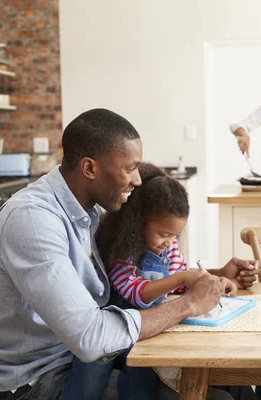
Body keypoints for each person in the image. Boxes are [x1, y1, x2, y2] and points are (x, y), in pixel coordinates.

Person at [0, 108, 259, 400]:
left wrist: (213, 276)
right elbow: (91, 336)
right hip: (40, 382)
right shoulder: (33, 220)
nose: (138, 180)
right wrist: (187, 304)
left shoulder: (89, 212)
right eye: (130, 168)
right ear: (90, 168)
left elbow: (135, 276)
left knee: (233, 383)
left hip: (82, 361)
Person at [65, 163, 239, 399]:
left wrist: (213, 280)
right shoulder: (122, 253)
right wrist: (182, 277)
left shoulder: (170, 248)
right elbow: (136, 293)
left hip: (154, 327)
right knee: (131, 375)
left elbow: (179, 283)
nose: (170, 241)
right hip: (121, 332)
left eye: (176, 235)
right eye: (164, 234)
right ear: (138, 222)